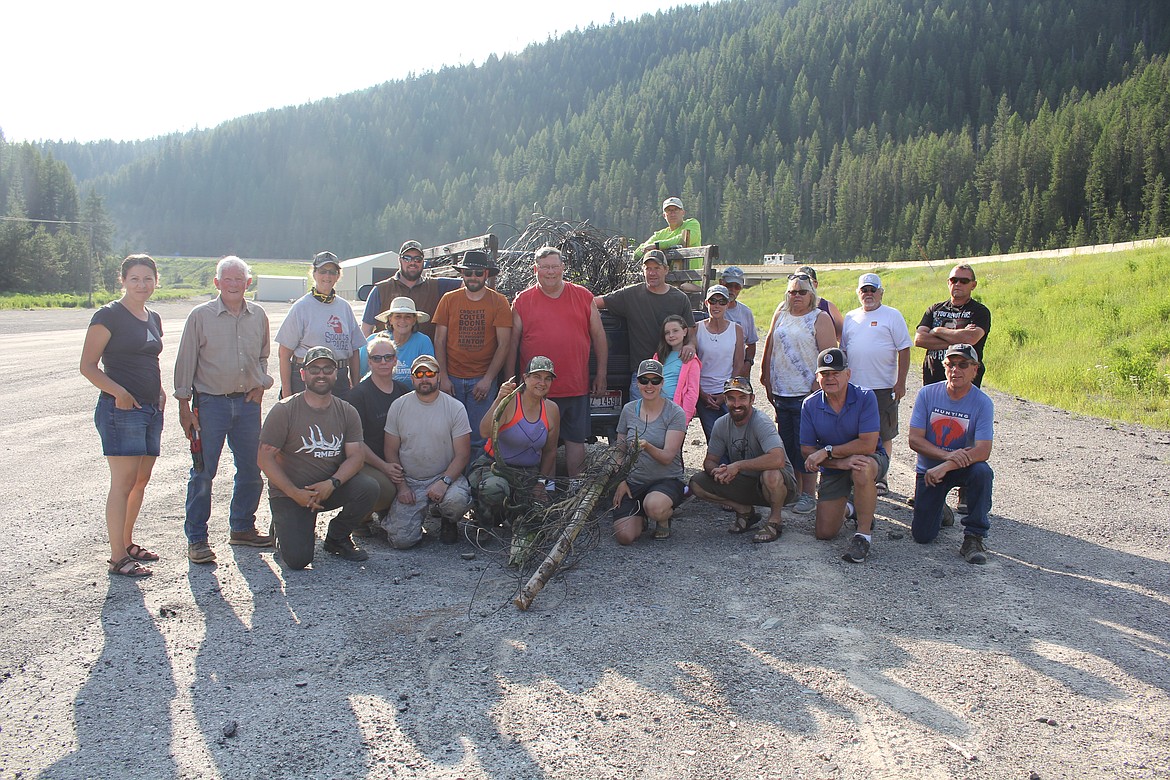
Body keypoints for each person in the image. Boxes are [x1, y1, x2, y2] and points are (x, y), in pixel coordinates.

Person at [173, 256, 274, 565]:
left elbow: (263, 356)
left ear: (248, 283)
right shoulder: (200, 316)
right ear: (216, 283)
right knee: (203, 472)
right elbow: (186, 360)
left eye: (238, 279)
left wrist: (261, 384)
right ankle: (197, 539)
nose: (233, 284)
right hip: (210, 405)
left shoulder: (258, 315)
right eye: (227, 279)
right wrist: (183, 405)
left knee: (251, 470)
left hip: (247, 405)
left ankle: (242, 527)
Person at [80, 254, 166, 578]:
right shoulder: (108, 316)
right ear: (123, 281)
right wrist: (121, 393)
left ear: (156, 281)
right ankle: (118, 557)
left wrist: (158, 393)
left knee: (140, 482)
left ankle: (128, 543)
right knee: (123, 483)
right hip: (121, 410)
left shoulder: (153, 317)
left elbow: (150, 360)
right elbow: (87, 366)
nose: (142, 285)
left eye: (148, 279)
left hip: (150, 409)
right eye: (135, 279)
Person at [257, 346, 378, 569]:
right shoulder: (284, 410)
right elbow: (264, 459)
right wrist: (294, 493)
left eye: (327, 369)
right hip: (290, 493)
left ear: (336, 374)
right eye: (314, 369)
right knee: (298, 561)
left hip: (327, 488)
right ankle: (283, 526)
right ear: (303, 374)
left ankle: (337, 538)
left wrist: (332, 483)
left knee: (369, 487)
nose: (321, 374)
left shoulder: (347, 411)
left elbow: (356, 457)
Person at [510, 246, 607, 480]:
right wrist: (510, 380)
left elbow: (599, 337)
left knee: (576, 441)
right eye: (545, 267)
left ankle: (576, 492)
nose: (550, 272)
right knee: (542, 443)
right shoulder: (523, 300)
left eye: (555, 266)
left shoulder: (583, 296)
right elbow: (512, 344)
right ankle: (545, 490)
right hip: (537, 390)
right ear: (536, 269)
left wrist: (601, 373)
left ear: (563, 268)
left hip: (575, 385)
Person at [800, 348, 889, 564]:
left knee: (861, 468)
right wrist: (840, 462)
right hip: (836, 466)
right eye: (825, 374)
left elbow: (868, 444)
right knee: (824, 533)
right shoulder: (810, 405)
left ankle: (863, 536)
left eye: (836, 373)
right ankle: (853, 508)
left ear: (848, 374)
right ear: (817, 377)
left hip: (870, 458)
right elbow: (807, 451)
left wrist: (829, 451)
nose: (830, 378)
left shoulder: (865, 397)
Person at [908, 344, 995, 564]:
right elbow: (914, 439)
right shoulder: (927, 394)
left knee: (982, 472)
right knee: (923, 536)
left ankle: (974, 536)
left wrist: (946, 464)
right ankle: (942, 512)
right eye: (951, 364)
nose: (956, 370)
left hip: (960, 468)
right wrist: (946, 456)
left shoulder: (983, 403)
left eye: (963, 365)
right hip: (930, 471)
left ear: (975, 370)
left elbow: (983, 450)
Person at [759, 273, 836, 515]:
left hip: (807, 392)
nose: (797, 296)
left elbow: (828, 357)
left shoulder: (820, 318)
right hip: (782, 390)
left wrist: (818, 388)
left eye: (802, 292)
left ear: (811, 293)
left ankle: (808, 494)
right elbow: (770, 343)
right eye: (792, 292)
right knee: (787, 443)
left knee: (807, 445)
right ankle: (794, 489)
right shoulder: (780, 313)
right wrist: (766, 377)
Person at [687, 376, 798, 544]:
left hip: (778, 485)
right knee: (696, 483)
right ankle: (745, 511)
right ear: (725, 400)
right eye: (731, 398)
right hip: (746, 481)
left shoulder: (761, 422)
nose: (736, 404)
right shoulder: (721, 424)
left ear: (752, 399)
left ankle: (775, 521)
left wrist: (737, 466)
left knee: (771, 474)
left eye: (742, 398)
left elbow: (778, 459)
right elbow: (710, 460)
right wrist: (716, 470)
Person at [383, 355, 473, 549]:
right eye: (419, 374)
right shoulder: (398, 406)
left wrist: (444, 482)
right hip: (412, 481)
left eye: (430, 373)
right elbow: (390, 452)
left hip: (445, 477)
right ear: (413, 378)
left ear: (438, 377)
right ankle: (414, 521)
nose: (425, 378)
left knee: (455, 502)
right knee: (401, 541)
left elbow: (463, 454)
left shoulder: (455, 408)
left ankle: (448, 520)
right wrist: (402, 487)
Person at [432, 250, 513, 454]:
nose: (473, 277)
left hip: (482, 380)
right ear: (462, 275)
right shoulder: (449, 300)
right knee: (450, 435)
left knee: (480, 437)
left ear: (486, 274)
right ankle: (451, 480)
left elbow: (503, 344)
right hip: (452, 379)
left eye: (478, 273)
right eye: (468, 273)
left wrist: (488, 379)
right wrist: (443, 376)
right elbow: (439, 339)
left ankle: (475, 482)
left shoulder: (499, 302)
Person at [469, 356, 561, 527]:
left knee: (537, 518)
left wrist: (543, 484)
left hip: (528, 473)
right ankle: (485, 519)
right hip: (495, 467)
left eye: (547, 378)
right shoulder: (510, 402)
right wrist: (498, 400)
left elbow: (550, 452)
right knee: (494, 489)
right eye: (537, 377)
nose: (542, 382)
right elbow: (484, 431)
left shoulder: (552, 409)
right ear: (525, 378)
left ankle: (512, 513)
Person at [841, 272, 912, 491]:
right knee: (854, 432)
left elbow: (904, 349)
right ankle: (856, 473)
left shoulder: (892, 315)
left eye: (873, 290)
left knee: (884, 433)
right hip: (854, 387)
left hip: (883, 387)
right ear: (858, 293)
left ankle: (881, 476)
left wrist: (900, 382)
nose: (869, 294)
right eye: (865, 290)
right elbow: (844, 350)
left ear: (881, 292)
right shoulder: (850, 317)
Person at [595, 248, 696, 400]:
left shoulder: (680, 299)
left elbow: (691, 332)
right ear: (643, 270)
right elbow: (596, 302)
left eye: (657, 268)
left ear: (666, 270)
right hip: (641, 374)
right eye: (648, 268)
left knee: (671, 422)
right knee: (639, 422)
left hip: (671, 372)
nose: (652, 273)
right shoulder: (630, 295)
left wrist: (691, 345)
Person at [611, 359, 688, 543]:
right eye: (644, 381)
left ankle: (662, 516)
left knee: (655, 506)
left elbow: (668, 457)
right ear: (637, 383)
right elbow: (619, 451)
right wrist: (620, 480)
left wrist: (646, 446)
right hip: (634, 482)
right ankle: (641, 516)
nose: (649, 385)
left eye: (655, 381)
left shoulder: (675, 413)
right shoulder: (628, 410)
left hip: (666, 480)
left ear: (662, 383)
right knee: (625, 537)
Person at [344, 335, 411, 537]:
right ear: (369, 361)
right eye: (376, 358)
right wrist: (384, 467)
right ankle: (359, 517)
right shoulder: (358, 395)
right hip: (367, 461)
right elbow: (356, 443)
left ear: (395, 360)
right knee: (385, 489)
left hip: (397, 459)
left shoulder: (404, 391)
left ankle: (386, 509)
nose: (383, 362)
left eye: (388, 357)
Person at [275, 251, 363, 397]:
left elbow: (354, 352)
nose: (327, 276)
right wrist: (287, 392)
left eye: (332, 272)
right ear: (314, 273)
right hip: (308, 377)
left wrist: (356, 387)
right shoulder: (301, 307)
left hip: (339, 379)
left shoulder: (344, 307)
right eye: (323, 271)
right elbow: (284, 354)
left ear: (337, 276)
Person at [360, 239, 459, 340]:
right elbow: (366, 330)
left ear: (423, 262)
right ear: (400, 260)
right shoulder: (380, 290)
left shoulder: (437, 286)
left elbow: (469, 282)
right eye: (407, 258)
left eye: (418, 259)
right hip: (387, 354)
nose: (413, 262)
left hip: (424, 353)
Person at [915, 263, 992, 387]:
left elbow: (970, 338)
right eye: (954, 280)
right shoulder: (934, 309)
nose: (958, 284)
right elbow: (919, 339)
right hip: (933, 380)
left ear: (973, 285)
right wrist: (959, 343)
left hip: (965, 384)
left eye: (964, 281)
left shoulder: (979, 312)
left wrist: (937, 331)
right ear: (948, 282)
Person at [695, 284, 746, 441]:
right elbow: (692, 366)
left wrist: (726, 393)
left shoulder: (736, 330)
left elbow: (738, 364)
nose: (717, 305)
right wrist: (702, 394)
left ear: (728, 304)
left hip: (728, 394)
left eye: (721, 302)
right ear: (706, 303)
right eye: (713, 301)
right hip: (705, 395)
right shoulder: (696, 329)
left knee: (733, 437)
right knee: (713, 438)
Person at [374, 297, 434, 384]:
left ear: (414, 320)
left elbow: (429, 376)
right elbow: (361, 372)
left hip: (414, 394)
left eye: (407, 317)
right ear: (390, 320)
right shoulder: (376, 340)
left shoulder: (423, 342)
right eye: (398, 316)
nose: (402, 321)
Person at [653, 314, 699, 425]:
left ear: (684, 331)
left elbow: (692, 392)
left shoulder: (690, 359)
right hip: (656, 411)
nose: (671, 335)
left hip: (675, 413)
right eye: (667, 333)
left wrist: (685, 419)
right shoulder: (658, 357)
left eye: (675, 331)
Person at [633, 196, 702, 263]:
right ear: (664, 215)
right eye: (669, 211)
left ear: (683, 212)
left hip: (694, 274)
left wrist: (657, 245)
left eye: (676, 210)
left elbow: (685, 238)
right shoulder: (660, 234)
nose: (673, 214)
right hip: (667, 274)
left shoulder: (692, 223)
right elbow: (637, 254)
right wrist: (644, 249)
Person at [718, 266, 759, 367]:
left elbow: (751, 343)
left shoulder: (746, 312)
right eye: (729, 285)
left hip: (738, 368)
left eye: (737, 287)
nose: (732, 290)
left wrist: (747, 364)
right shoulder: (712, 309)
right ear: (721, 283)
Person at [795, 266, 843, 342]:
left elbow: (842, 338)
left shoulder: (828, 307)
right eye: (797, 280)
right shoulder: (786, 308)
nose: (802, 285)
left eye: (807, 281)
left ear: (816, 284)